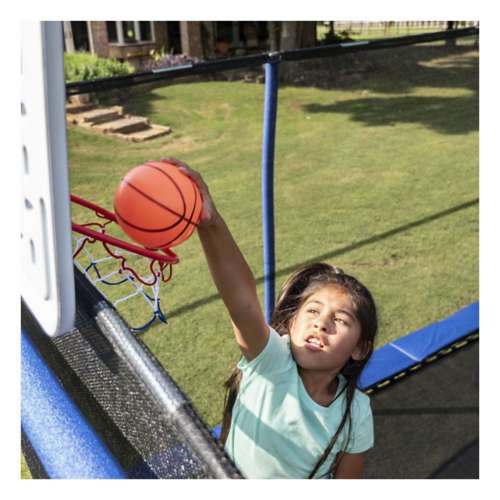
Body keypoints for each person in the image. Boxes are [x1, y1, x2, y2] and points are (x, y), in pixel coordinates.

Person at [164, 158, 378, 479]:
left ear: (359, 348)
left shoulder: (355, 411)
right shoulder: (272, 362)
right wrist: (211, 224)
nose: (321, 323)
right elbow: (241, 301)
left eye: (341, 319)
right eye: (313, 311)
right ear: (291, 325)